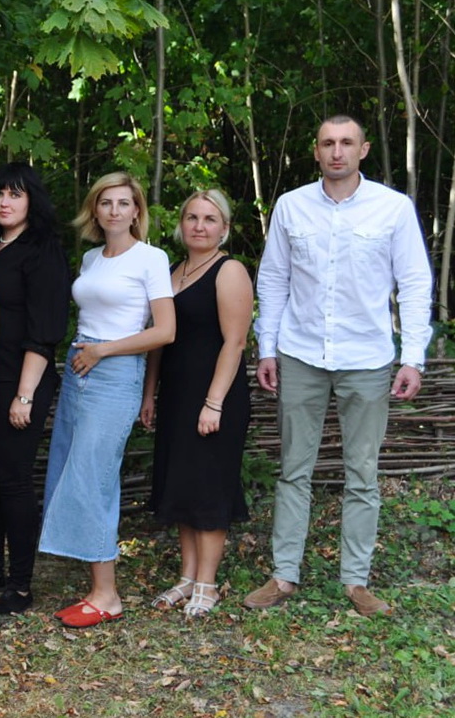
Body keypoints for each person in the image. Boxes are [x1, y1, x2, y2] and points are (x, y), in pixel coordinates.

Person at [245, 115, 432, 617]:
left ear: (364, 149)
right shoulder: (291, 206)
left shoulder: (392, 209)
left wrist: (413, 355)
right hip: (301, 353)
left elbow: (414, 284)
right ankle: (284, 575)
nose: (337, 151)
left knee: (362, 475)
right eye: (328, 142)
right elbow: (274, 280)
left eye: (347, 142)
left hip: (368, 358)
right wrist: (268, 346)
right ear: (316, 150)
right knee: (293, 470)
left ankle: (356, 581)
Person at [40, 172, 175, 628]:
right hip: (81, 369)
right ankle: (96, 585)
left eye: (124, 203)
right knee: (72, 471)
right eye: (106, 203)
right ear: (94, 210)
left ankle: (107, 596)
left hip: (114, 372)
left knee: (95, 479)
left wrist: (104, 351)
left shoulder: (151, 258)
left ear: (137, 210)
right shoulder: (91, 258)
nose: (115, 211)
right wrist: (88, 352)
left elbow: (165, 330)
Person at [140, 190, 252, 617]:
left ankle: (208, 582)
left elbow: (235, 341)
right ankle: (187, 577)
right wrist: (150, 393)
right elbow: (159, 340)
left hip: (215, 396)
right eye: (191, 217)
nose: (199, 225)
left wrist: (214, 402)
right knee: (183, 485)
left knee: (209, 487)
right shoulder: (171, 271)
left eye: (209, 219)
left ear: (223, 227)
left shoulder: (229, 271)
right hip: (176, 395)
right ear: (181, 224)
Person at [0, 162, 69, 616]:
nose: (5, 202)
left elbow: (46, 330)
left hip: (21, 378)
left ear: (31, 199)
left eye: (15, 194)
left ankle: (20, 585)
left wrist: (25, 395)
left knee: (13, 481)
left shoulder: (41, 249)